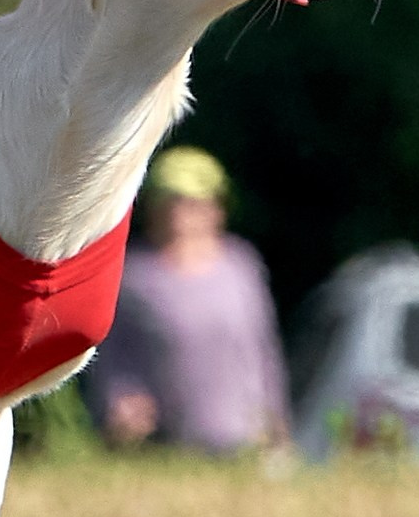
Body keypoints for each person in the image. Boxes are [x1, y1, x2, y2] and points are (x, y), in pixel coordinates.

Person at [85, 147, 290, 454]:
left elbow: (262, 351)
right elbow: (109, 356)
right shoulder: (132, 276)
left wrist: (278, 425)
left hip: (245, 440)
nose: (178, 214)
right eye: (168, 202)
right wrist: (118, 401)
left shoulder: (241, 266)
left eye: (192, 204)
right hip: (164, 445)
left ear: (217, 209)